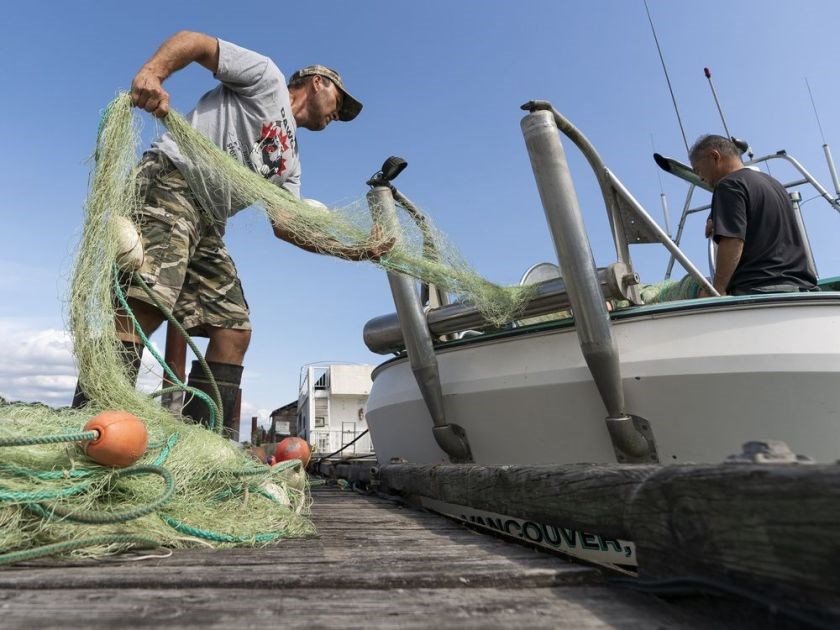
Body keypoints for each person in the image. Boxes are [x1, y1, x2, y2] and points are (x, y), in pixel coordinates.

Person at [73, 31, 390, 437]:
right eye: (339, 103)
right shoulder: (267, 78)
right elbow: (196, 43)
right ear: (318, 83)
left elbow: (286, 225)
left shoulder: (291, 163)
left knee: (233, 329)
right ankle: (89, 428)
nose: (337, 114)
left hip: (208, 222)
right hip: (173, 180)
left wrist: (352, 251)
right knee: (145, 301)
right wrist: (153, 73)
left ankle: (201, 447)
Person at [689, 134, 817, 297]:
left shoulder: (727, 185)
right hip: (801, 289)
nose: (700, 178)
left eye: (698, 170)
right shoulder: (773, 184)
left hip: (759, 289)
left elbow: (732, 240)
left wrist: (718, 290)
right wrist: (716, 215)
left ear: (715, 157)